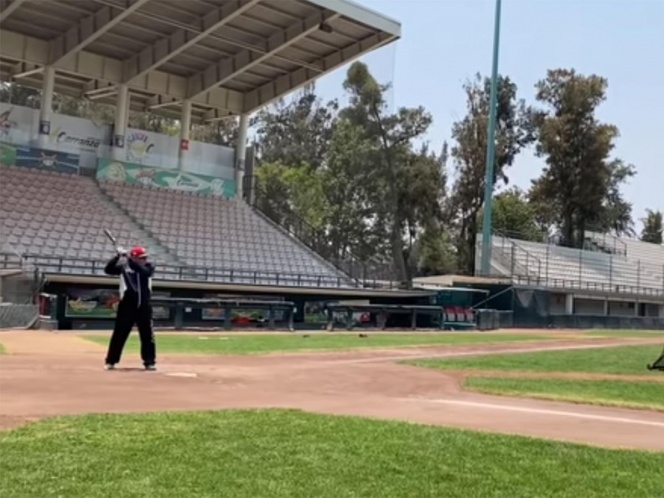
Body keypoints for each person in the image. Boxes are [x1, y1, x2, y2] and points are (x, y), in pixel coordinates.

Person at [103, 245, 157, 371]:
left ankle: (149, 361)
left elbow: (144, 272)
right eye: (141, 258)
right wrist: (117, 257)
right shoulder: (124, 268)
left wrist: (130, 260)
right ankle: (111, 360)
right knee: (119, 334)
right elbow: (108, 270)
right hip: (127, 306)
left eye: (145, 257)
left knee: (147, 335)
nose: (144, 260)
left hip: (144, 305)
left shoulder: (149, 267)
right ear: (135, 257)